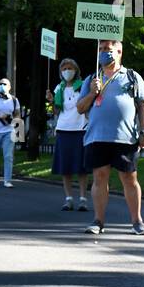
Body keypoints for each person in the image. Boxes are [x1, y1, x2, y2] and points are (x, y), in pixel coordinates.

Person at [76, 39, 144, 235]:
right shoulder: (91, 78)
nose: (104, 52)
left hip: (125, 138)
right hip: (97, 137)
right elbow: (80, 108)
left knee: (129, 178)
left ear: (119, 52)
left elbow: (143, 106)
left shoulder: (132, 77)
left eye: (108, 49)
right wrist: (93, 93)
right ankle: (98, 221)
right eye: (101, 49)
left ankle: (137, 221)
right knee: (100, 177)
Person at [51, 58, 90, 210]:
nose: (67, 71)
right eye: (64, 68)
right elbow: (56, 111)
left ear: (76, 70)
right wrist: (51, 101)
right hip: (63, 129)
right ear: (61, 72)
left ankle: (82, 199)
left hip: (80, 129)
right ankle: (68, 199)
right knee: (65, 167)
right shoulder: (58, 88)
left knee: (81, 167)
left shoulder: (83, 86)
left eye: (70, 68)